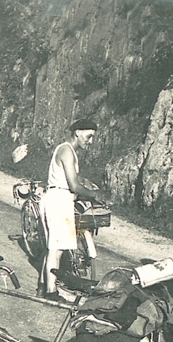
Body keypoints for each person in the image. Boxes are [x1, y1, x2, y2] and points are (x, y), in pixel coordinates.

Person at [38, 118, 106, 302]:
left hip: (60, 198)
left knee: (54, 247)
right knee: (56, 249)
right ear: (77, 132)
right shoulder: (67, 151)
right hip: (58, 199)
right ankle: (51, 293)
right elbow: (74, 185)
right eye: (88, 136)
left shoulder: (69, 151)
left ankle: (43, 287)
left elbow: (72, 180)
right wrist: (93, 194)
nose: (90, 141)